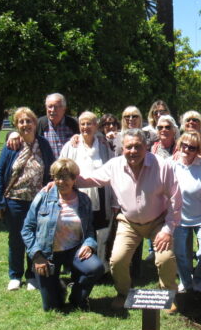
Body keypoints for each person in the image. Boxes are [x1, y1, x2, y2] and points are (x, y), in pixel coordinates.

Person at [74, 128, 181, 311]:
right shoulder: (114, 166)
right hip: (129, 223)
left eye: (138, 146)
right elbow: (89, 179)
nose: (133, 151)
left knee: (164, 258)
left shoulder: (162, 166)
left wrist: (168, 229)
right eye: (129, 147)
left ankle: (168, 294)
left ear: (146, 147)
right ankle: (123, 293)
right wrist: (63, 180)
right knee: (117, 260)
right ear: (122, 148)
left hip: (158, 222)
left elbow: (175, 198)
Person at [21, 158, 105, 311]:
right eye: (57, 177)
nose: (61, 181)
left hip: (73, 250)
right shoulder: (43, 197)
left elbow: (89, 229)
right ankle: (58, 286)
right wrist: (37, 256)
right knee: (51, 308)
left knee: (96, 268)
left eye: (66, 177)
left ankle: (77, 297)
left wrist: (89, 243)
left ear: (74, 179)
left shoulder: (84, 200)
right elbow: (27, 229)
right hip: (47, 254)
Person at [0, 107, 56, 291]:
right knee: (16, 239)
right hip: (14, 201)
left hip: (38, 202)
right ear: (16, 125)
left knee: (35, 238)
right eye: (21, 122)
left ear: (35, 124)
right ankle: (15, 275)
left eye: (29, 121)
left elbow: (51, 171)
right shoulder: (11, 145)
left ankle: (32, 274)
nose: (25, 125)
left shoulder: (43, 144)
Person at [59, 111, 114, 265]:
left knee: (101, 231)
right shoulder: (71, 146)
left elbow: (113, 170)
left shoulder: (103, 145)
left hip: (101, 195)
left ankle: (101, 264)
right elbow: (62, 168)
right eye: (82, 123)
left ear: (96, 125)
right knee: (79, 229)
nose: (85, 127)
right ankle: (79, 264)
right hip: (78, 195)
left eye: (89, 123)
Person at [170, 131, 201, 294]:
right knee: (180, 254)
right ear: (179, 144)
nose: (187, 149)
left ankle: (199, 279)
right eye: (184, 145)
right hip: (178, 219)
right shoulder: (170, 164)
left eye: (192, 147)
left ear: (198, 150)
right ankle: (186, 282)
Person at [6, 93, 80, 157]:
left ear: (64, 108)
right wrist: (13, 134)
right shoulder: (39, 124)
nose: (52, 110)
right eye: (49, 106)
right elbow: (24, 132)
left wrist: (80, 137)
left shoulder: (74, 124)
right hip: (47, 171)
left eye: (56, 106)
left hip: (69, 170)